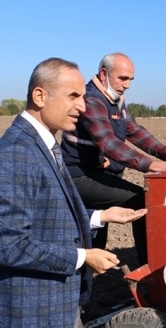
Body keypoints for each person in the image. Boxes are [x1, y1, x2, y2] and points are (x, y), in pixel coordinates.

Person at [0, 58, 147, 328]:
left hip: (60, 303)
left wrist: (101, 216)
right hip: (36, 311)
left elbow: (48, 213)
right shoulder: (16, 153)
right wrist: (83, 256)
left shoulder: (44, 144)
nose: (82, 105)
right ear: (40, 96)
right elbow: (9, 246)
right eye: (73, 96)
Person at [60, 52, 166, 266]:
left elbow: (134, 131)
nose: (127, 85)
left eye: (130, 79)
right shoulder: (92, 99)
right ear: (103, 74)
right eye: (123, 78)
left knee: (96, 232)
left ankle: (89, 277)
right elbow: (108, 142)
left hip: (97, 172)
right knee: (140, 199)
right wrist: (151, 164)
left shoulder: (115, 100)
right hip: (78, 175)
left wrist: (164, 152)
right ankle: (148, 268)